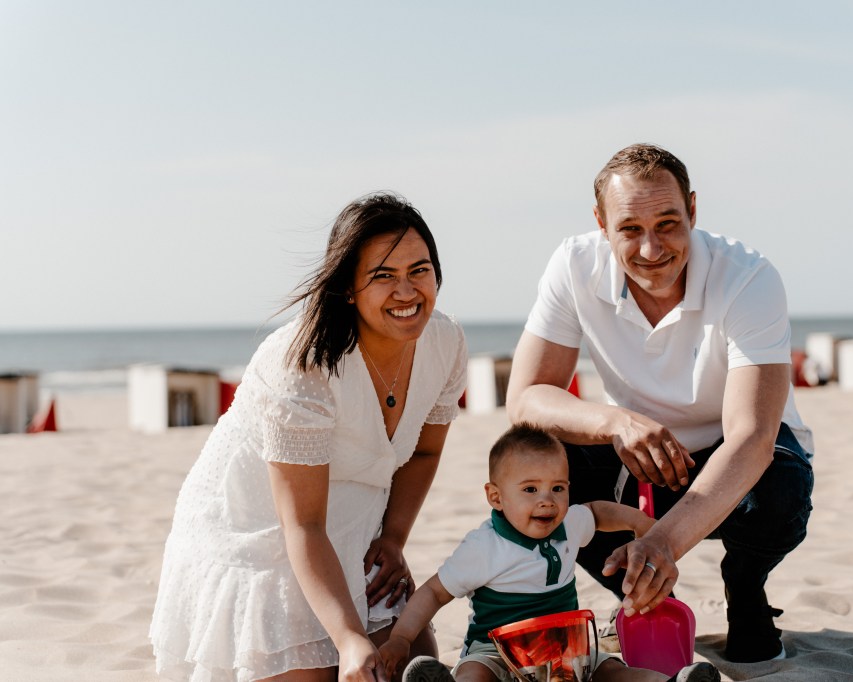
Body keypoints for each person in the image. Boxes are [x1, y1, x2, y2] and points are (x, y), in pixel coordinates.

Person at [505, 144, 814, 664]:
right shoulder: (573, 265)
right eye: (629, 229)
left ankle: (745, 588)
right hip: (641, 457)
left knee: (780, 491)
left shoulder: (748, 277)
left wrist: (663, 543)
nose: (651, 249)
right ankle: (648, 600)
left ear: (693, 210)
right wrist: (614, 421)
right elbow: (526, 399)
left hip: (740, 462)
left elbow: (752, 437)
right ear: (601, 224)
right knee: (532, 458)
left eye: (669, 224)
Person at [149, 192, 469, 682]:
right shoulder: (301, 367)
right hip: (263, 532)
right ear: (347, 288)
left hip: (353, 522)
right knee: (339, 666)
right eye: (383, 276)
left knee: (410, 663)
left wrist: (393, 538)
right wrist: (347, 638)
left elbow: (424, 451)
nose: (406, 291)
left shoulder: (446, 343)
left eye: (419, 271)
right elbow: (301, 526)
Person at [377, 424, 720, 682]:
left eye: (558, 488)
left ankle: (675, 681)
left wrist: (642, 524)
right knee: (476, 673)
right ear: (496, 497)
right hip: (497, 650)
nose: (547, 500)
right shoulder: (484, 547)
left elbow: (599, 513)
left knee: (612, 670)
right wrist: (401, 638)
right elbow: (435, 591)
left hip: (567, 649)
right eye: (530, 489)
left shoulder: (568, 523)